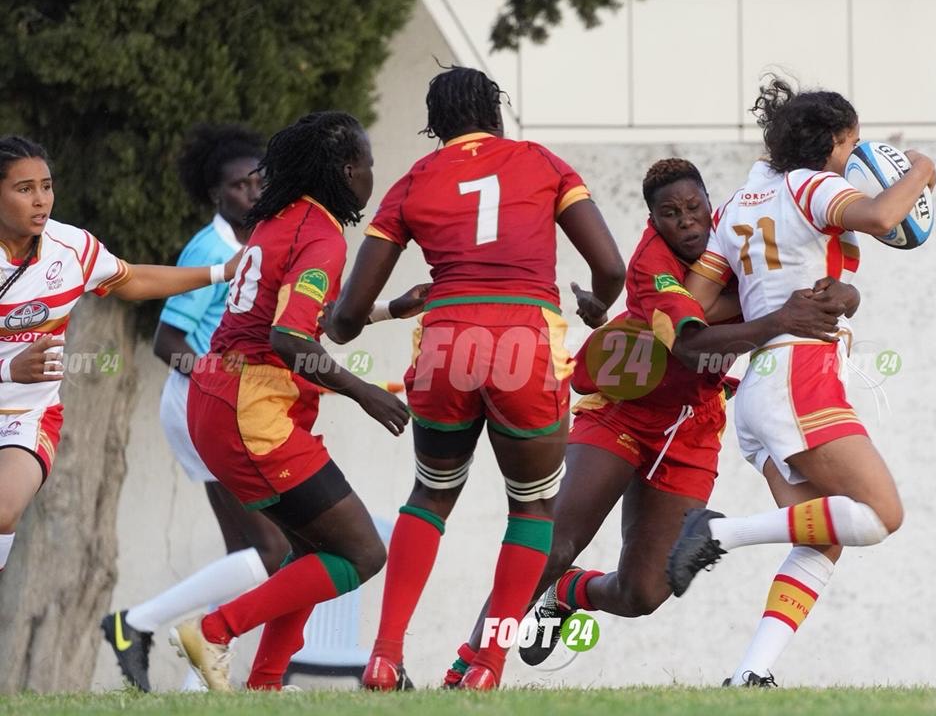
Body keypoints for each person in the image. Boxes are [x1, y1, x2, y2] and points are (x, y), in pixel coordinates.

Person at [443, 158, 859, 681]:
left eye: (694, 209)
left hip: (692, 427)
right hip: (623, 411)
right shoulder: (651, 264)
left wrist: (847, 294)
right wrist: (779, 318)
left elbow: (812, 280)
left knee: (641, 594)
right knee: (557, 542)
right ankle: (475, 661)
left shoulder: (736, 235)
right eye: (671, 213)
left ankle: (568, 592)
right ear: (652, 221)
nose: (686, 222)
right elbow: (689, 347)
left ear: (711, 205)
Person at [320, 65, 626, 691]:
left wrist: (367, 318)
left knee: (430, 496)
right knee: (535, 505)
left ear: (435, 127)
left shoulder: (413, 182)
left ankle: (383, 657)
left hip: (445, 338)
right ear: (495, 112)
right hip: (526, 337)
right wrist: (596, 306)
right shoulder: (542, 162)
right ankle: (488, 665)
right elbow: (611, 267)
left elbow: (346, 319)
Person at [668, 77, 936, 686]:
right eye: (853, 144)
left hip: (760, 387)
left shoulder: (736, 207)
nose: (854, 156)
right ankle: (721, 530)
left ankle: (750, 674)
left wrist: (785, 290)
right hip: (800, 375)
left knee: (824, 535)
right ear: (836, 141)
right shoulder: (811, 184)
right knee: (880, 515)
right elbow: (882, 214)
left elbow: (697, 306)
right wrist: (922, 166)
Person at [169, 111, 423, 692]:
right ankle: (214, 629)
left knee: (309, 552)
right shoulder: (323, 235)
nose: (372, 176)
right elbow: (289, 338)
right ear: (346, 169)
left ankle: (264, 685)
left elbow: (312, 323)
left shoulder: (281, 218)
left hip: (224, 399)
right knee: (362, 553)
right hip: (248, 410)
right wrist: (361, 393)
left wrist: (392, 309)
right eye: (369, 164)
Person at [101, 124, 294, 693]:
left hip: (228, 409)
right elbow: (169, 343)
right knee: (273, 549)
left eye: (261, 179)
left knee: (247, 553)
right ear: (216, 195)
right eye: (239, 185)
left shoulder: (260, 245)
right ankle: (134, 622)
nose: (254, 191)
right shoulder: (210, 250)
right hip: (200, 409)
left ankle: (195, 685)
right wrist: (224, 383)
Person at [0, 134, 245, 577]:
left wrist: (220, 272)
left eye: (46, 186)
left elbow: (134, 281)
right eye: (24, 189)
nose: (41, 200)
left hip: (26, 413)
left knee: (2, 511)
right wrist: (8, 367)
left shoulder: (70, 248)